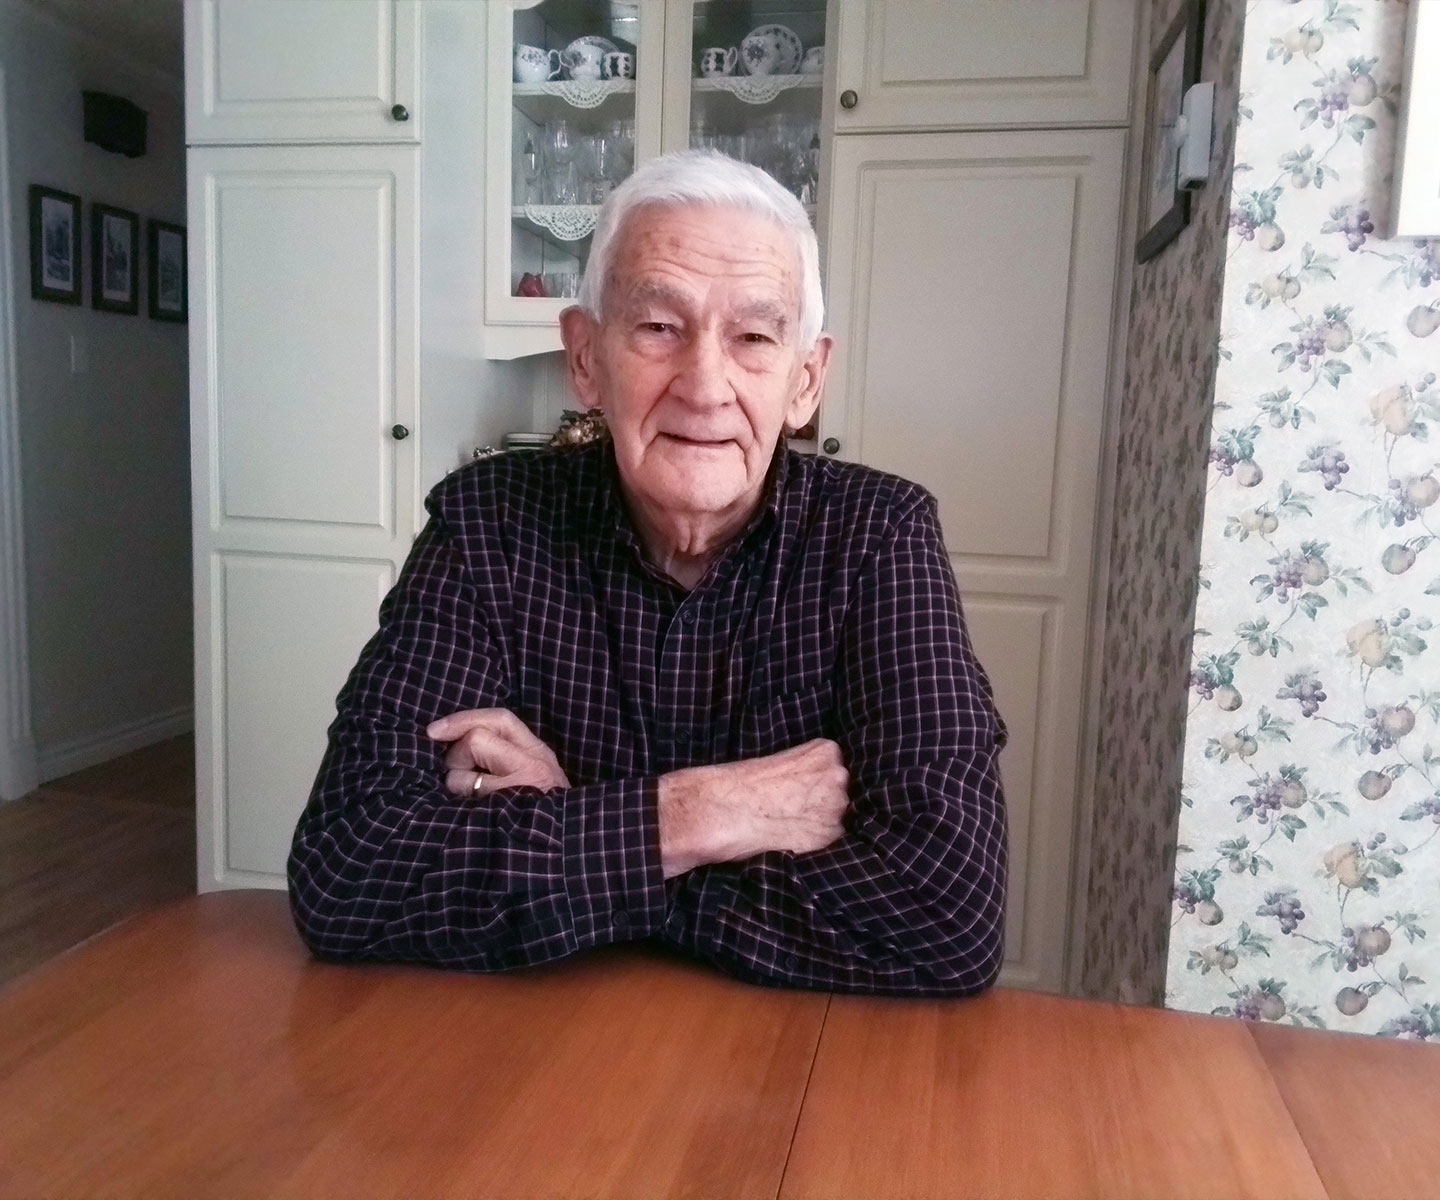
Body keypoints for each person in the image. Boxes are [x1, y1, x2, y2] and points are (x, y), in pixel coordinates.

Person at [288, 150, 1008, 995]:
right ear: (586, 357)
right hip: (533, 1052)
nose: (706, 385)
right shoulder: (488, 523)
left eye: (753, 336)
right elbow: (347, 871)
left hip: (789, 1073)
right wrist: (709, 814)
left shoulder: (881, 535)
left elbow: (948, 918)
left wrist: (581, 822)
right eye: (659, 327)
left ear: (806, 379)